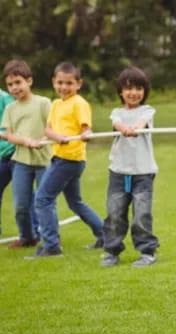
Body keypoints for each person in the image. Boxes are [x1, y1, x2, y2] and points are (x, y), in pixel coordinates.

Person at [27, 61, 105, 259]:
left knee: (43, 199)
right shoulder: (55, 104)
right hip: (59, 157)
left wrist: (87, 133)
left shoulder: (79, 103)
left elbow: (85, 128)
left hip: (69, 159)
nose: (64, 87)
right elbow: (49, 129)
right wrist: (46, 139)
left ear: (78, 84)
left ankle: (52, 246)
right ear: (54, 82)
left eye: (69, 83)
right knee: (75, 202)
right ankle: (106, 235)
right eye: (60, 83)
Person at [100, 67, 159, 267]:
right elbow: (117, 123)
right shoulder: (116, 113)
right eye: (129, 88)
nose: (134, 93)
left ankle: (147, 252)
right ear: (120, 92)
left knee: (141, 214)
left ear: (144, 91)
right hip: (118, 172)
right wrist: (124, 128)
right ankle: (111, 251)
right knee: (115, 213)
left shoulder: (147, 111)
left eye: (139, 88)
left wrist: (137, 128)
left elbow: (143, 122)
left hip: (143, 173)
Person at [2, 60, 51, 248]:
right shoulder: (10, 108)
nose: (15, 88)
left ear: (29, 81)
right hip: (21, 161)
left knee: (44, 202)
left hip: (43, 160)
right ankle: (27, 237)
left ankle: (50, 239)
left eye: (18, 82)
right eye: (10, 85)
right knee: (21, 205)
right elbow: (10, 135)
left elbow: (51, 127)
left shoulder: (43, 103)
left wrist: (43, 138)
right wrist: (26, 141)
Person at [0, 87, 15, 236]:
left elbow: (14, 126)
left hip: (14, 152)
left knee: (25, 196)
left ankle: (34, 232)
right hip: (2, 155)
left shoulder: (5, 98)